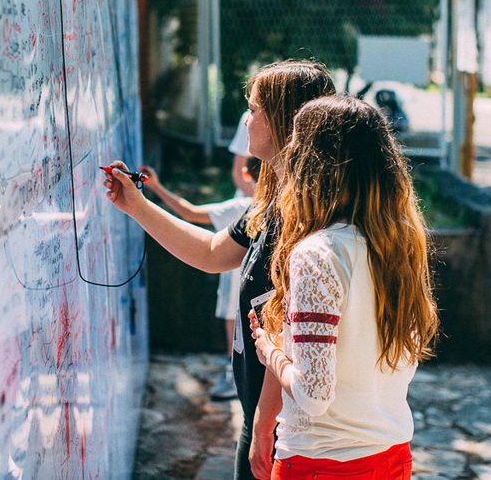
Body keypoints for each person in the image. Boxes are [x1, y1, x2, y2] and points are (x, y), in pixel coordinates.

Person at [103, 60, 336, 480]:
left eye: (255, 110)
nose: (246, 120)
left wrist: (266, 423)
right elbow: (212, 253)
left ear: (284, 122)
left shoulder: (310, 220)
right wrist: (136, 206)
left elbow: (290, 334)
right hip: (262, 417)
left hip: (287, 429)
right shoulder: (274, 204)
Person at [249, 96, 440, 480]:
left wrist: (271, 352)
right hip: (391, 455)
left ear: (312, 162)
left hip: (320, 463)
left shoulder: (317, 254)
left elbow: (313, 396)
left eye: (297, 143)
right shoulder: (400, 243)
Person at [141, 158, 262, 400]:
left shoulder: (243, 207)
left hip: (237, 282)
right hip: (256, 286)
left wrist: (154, 187)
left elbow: (190, 213)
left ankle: (234, 375)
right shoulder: (276, 208)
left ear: (245, 174)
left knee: (235, 325)